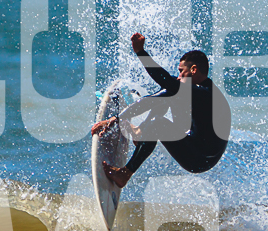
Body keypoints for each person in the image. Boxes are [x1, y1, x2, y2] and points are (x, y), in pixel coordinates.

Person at [91, 33, 229, 188]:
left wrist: (141, 52)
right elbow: (153, 99)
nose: (179, 76)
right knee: (170, 92)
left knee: (159, 122)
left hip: (201, 159)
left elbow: (167, 81)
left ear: (194, 69)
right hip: (195, 143)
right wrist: (117, 118)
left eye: (181, 71)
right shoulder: (195, 90)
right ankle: (140, 131)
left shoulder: (205, 93)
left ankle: (125, 173)